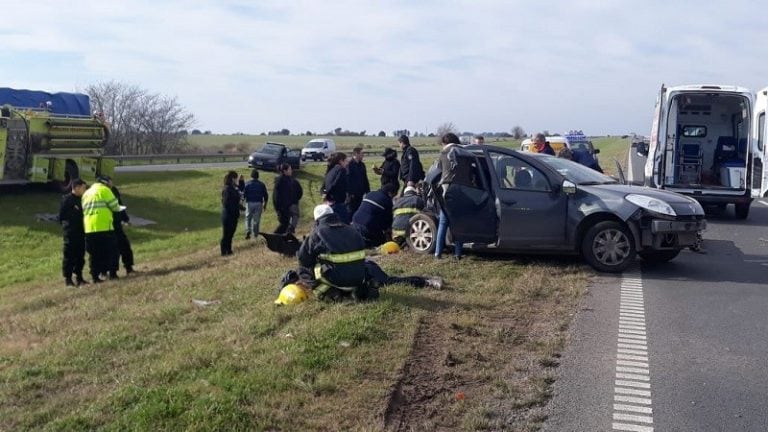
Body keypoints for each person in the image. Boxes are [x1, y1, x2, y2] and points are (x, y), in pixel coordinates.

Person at [296, 204, 372, 301]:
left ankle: (327, 292)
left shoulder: (317, 233)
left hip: (337, 280)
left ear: (317, 220)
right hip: (359, 279)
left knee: (304, 269)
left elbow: (303, 258)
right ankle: (356, 291)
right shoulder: (352, 229)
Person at [81, 176, 121, 282]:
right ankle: (112, 274)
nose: (111, 184)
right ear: (106, 183)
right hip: (104, 227)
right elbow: (115, 206)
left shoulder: (86, 193)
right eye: (110, 182)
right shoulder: (105, 190)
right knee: (112, 251)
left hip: (89, 228)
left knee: (94, 254)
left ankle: (95, 276)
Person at [434, 133, 464, 260]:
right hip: (460, 189)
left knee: (443, 222)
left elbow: (437, 170)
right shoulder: (461, 151)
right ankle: (457, 253)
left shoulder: (443, 154)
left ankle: (437, 252)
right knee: (458, 222)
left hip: (445, 189)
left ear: (445, 143)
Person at [58, 178, 88, 286]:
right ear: (76, 188)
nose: (85, 190)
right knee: (69, 255)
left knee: (80, 255)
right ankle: (68, 278)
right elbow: (62, 216)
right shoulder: (67, 199)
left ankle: (79, 277)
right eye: (83, 188)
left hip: (81, 231)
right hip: (71, 232)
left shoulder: (83, 199)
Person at [351, 183, 397, 248]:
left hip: (355, 220)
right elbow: (387, 222)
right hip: (367, 226)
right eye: (393, 195)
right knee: (379, 241)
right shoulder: (387, 201)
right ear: (390, 193)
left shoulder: (370, 194)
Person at [105, 176, 134, 275]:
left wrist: (125, 218)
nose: (111, 183)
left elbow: (119, 205)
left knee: (125, 245)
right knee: (112, 249)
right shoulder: (101, 193)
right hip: (106, 225)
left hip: (117, 224)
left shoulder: (114, 190)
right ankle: (110, 272)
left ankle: (129, 267)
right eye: (109, 182)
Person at [273, 163, 303, 234]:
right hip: (283, 207)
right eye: (289, 169)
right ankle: (275, 236)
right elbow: (277, 196)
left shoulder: (291, 180)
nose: (291, 171)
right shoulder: (281, 181)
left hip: (287, 206)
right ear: (284, 171)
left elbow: (299, 192)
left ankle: (283, 238)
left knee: (286, 223)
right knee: (285, 223)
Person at [322, 152, 351, 223]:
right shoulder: (341, 170)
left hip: (329, 203)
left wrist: (326, 194)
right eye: (346, 161)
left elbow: (324, 186)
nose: (347, 163)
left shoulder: (330, 170)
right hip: (338, 203)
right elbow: (335, 184)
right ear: (341, 161)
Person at [242, 168, 269, 239]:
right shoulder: (262, 184)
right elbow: (266, 196)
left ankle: (248, 230)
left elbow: (244, 195)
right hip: (258, 203)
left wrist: (242, 203)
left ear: (251, 176)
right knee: (256, 220)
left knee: (248, 218)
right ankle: (255, 234)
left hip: (249, 203)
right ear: (258, 176)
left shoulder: (247, 184)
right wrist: (265, 205)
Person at [220, 171, 241, 256]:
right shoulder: (227, 189)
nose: (237, 180)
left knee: (231, 234)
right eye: (236, 178)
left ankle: (229, 250)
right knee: (226, 234)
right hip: (228, 215)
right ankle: (223, 251)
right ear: (233, 179)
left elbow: (236, 199)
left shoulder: (233, 188)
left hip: (233, 215)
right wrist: (233, 209)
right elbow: (226, 203)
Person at [346, 146, 370, 215]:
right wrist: (350, 193)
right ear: (356, 154)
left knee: (359, 211)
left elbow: (365, 178)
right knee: (351, 211)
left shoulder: (362, 165)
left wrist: (367, 191)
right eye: (361, 154)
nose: (363, 155)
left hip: (360, 193)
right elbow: (347, 180)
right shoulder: (349, 165)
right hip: (352, 195)